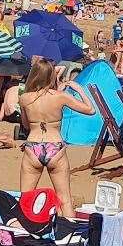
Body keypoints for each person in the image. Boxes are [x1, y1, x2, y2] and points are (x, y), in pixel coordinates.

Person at [16, 59, 95, 218]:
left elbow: (25, 124)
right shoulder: (60, 97)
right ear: (51, 76)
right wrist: (79, 89)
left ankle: (22, 235)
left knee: (26, 198)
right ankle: (69, 237)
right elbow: (90, 110)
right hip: (55, 147)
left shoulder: (25, 98)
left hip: (34, 146)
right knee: (64, 199)